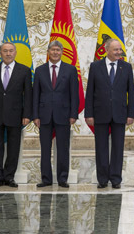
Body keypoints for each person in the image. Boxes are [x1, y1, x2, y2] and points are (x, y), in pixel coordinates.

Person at [84, 39, 134, 189]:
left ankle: (116, 178)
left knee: (118, 147)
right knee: (101, 147)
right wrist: (89, 114)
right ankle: (102, 179)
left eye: (120, 49)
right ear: (107, 50)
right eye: (116, 50)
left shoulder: (126, 67)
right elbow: (90, 91)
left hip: (120, 113)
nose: (119, 52)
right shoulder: (95, 66)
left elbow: (130, 92)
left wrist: (131, 113)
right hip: (100, 112)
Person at [0, 42, 32, 188]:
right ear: (0, 53)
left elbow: (28, 95)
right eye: (5, 51)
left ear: (15, 53)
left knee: (13, 147)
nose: (8, 53)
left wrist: (27, 114)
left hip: (16, 115)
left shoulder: (24, 71)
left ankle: (9, 177)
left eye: (11, 51)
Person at [32, 40, 79, 188]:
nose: (55, 52)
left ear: (62, 52)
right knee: (45, 148)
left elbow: (74, 94)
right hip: (44, 115)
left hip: (64, 114)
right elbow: (35, 95)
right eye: (52, 50)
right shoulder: (40, 70)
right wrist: (35, 116)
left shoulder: (70, 70)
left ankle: (62, 178)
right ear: (48, 52)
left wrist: (73, 114)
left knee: (63, 148)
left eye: (58, 50)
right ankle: (46, 178)